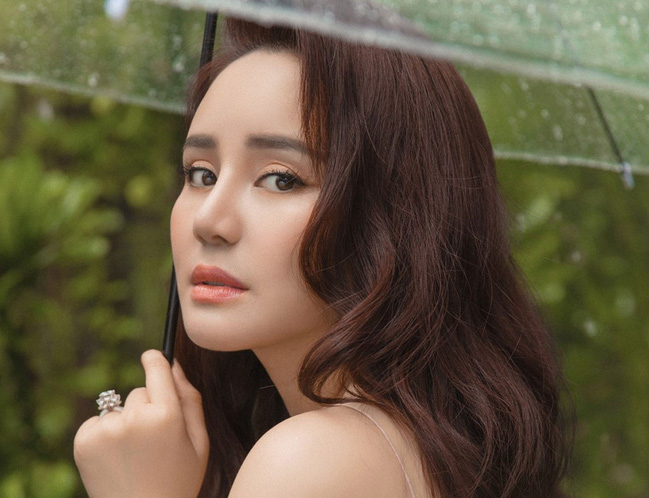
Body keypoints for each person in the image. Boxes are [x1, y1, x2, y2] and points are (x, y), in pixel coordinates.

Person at [74, 18, 571, 497]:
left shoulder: (310, 460)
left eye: (280, 179)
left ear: (394, 215)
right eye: (201, 174)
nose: (209, 220)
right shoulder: (408, 448)